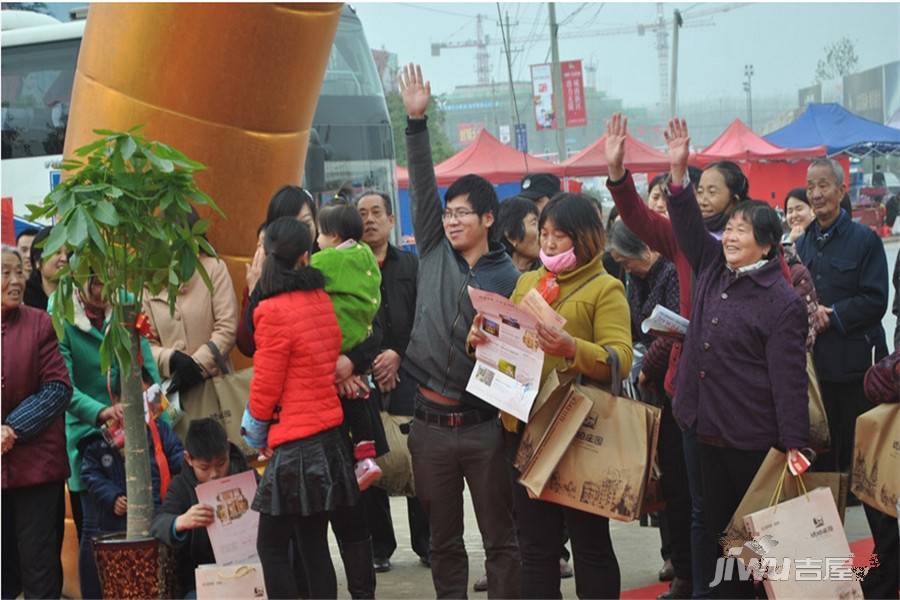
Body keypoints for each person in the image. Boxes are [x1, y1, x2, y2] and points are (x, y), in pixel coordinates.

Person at [662, 118, 809, 598]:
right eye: (728, 229)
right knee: (709, 521)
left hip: (750, 436)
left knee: (748, 535)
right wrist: (679, 176)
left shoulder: (780, 299)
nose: (729, 237)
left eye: (741, 232)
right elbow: (684, 226)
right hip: (703, 424)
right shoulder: (711, 267)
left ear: (766, 244)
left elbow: (789, 380)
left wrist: (795, 445)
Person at [604, 113, 750, 598]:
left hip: (746, 399)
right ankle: (701, 587)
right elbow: (640, 219)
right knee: (698, 504)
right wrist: (619, 177)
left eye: (712, 188)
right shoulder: (687, 245)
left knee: (741, 504)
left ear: (738, 200)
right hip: (690, 392)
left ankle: (743, 586)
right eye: (697, 188)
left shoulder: (759, 255)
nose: (702, 195)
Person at [399, 63, 522, 598]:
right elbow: (422, 187)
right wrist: (416, 122)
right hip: (428, 423)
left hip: (483, 427)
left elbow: (519, 367)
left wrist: (489, 348)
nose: (451, 221)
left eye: (464, 214)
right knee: (442, 542)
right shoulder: (431, 251)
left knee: (501, 539)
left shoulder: (511, 280)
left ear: (489, 219)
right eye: (448, 213)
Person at [478, 192, 632, 599]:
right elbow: (508, 337)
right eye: (543, 233)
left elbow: (622, 357)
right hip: (525, 426)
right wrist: (480, 336)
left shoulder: (605, 287)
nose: (547, 243)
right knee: (535, 544)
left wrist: (572, 349)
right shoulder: (528, 282)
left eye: (559, 236)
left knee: (590, 544)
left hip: (577, 430)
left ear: (584, 239)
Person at [241, 217, 374, 599]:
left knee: (271, 547)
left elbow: (266, 383)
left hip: (295, 443)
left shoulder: (270, 310)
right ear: (305, 256)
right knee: (313, 544)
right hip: (329, 436)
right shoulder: (318, 298)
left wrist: (254, 431)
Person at [794, 157, 895, 599]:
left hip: (856, 376)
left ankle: (888, 569)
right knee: (823, 477)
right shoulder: (803, 244)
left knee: (867, 476)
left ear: (841, 189)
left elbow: (876, 300)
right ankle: (830, 571)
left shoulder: (865, 241)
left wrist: (833, 315)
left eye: (823, 186)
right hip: (816, 379)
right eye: (810, 187)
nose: (816, 194)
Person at [607, 220, 691, 599]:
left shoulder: (671, 272)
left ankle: (692, 571)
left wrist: (646, 371)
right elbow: (636, 326)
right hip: (649, 388)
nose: (626, 269)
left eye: (628, 261)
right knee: (668, 484)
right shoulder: (636, 278)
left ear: (647, 249)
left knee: (683, 484)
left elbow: (673, 329)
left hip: (672, 388)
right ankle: (680, 565)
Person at [52, 273, 161, 545]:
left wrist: (159, 412)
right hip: (86, 432)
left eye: (107, 281)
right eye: (94, 281)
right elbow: (62, 384)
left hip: (134, 428)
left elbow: (146, 365)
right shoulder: (60, 307)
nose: (102, 290)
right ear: (76, 276)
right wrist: (102, 412)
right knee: (95, 532)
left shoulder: (125, 302)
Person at [356, 190, 431, 572]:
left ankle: (426, 543)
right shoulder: (348, 267)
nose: (369, 220)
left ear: (389, 219)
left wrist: (397, 354)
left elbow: (423, 315)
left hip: (408, 369)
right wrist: (371, 362)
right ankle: (378, 547)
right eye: (362, 214)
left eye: (376, 213)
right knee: (367, 456)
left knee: (416, 453)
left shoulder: (411, 265)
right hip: (363, 375)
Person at [1, 245, 71, 599]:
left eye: (19, 271)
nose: (15, 280)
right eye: (5, 273)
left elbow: (58, 389)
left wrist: (12, 428)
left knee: (39, 568)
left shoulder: (39, 323)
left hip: (35, 469)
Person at [310, 201, 384, 489]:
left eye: (320, 235)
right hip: (362, 332)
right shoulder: (365, 254)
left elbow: (304, 269)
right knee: (357, 395)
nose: (317, 241)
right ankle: (366, 457)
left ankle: (361, 460)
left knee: (347, 393)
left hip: (341, 335)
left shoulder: (332, 260)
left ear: (335, 237)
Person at [79, 397, 183, 599]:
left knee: (162, 573)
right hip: (118, 526)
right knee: (125, 578)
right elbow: (90, 473)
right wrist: (112, 497)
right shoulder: (100, 440)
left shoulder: (159, 429)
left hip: (158, 516)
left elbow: (176, 455)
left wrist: (191, 461)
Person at [142, 210, 239, 422]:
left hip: (213, 387)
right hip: (170, 394)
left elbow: (227, 328)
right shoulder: (149, 283)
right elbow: (145, 343)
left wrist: (196, 365)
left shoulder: (214, 269)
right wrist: (170, 359)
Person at [151, 418, 253, 598]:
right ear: (188, 459)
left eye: (221, 464)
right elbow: (158, 523)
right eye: (204, 468)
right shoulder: (181, 487)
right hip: (201, 581)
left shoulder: (247, 477)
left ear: (228, 450)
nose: (214, 474)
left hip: (250, 572)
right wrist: (180, 522)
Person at [236, 185, 318, 358]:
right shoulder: (264, 274)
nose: (298, 233)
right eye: (289, 225)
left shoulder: (332, 262)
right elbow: (247, 346)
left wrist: (350, 361)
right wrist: (254, 293)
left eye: (305, 224)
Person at [23, 226, 69, 311]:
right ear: (37, 261)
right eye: (57, 252)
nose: (64, 258)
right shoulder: (23, 298)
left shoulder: (78, 296)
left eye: (68, 253)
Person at [494, 196, 541, 273]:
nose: (542, 231)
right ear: (511, 236)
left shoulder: (550, 274)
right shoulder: (491, 277)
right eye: (534, 223)